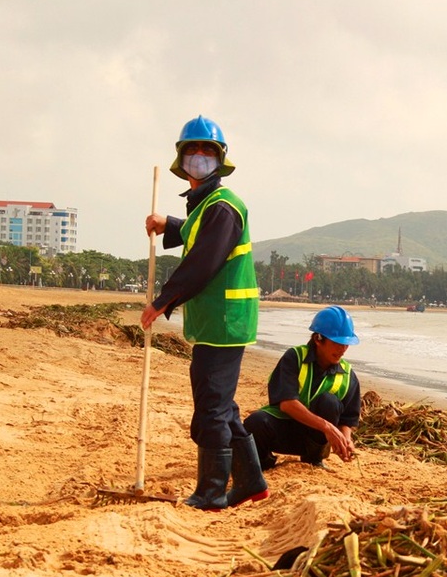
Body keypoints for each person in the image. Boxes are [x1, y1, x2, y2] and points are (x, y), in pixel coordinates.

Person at [140, 115, 268, 510]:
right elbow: (196, 229)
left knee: (211, 408)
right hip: (218, 323)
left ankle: (211, 492)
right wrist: (169, 224)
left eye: (207, 150)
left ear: (219, 160)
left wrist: (163, 301)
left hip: (225, 324)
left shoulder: (224, 207)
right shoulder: (206, 206)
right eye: (193, 150)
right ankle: (251, 482)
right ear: (182, 160)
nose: (199, 156)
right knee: (223, 406)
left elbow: (203, 260)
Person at [244, 305, 361, 470]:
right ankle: (265, 463)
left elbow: (347, 420)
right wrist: (327, 427)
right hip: (284, 430)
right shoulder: (295, 358)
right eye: (337, 343)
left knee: (329, 402)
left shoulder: (348, 375)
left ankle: (314, 460)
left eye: (346, 343)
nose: (342, 349)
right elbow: (287, 404)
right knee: (255, 422)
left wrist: (346, 440)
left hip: (315, 440)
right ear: (318, 339)